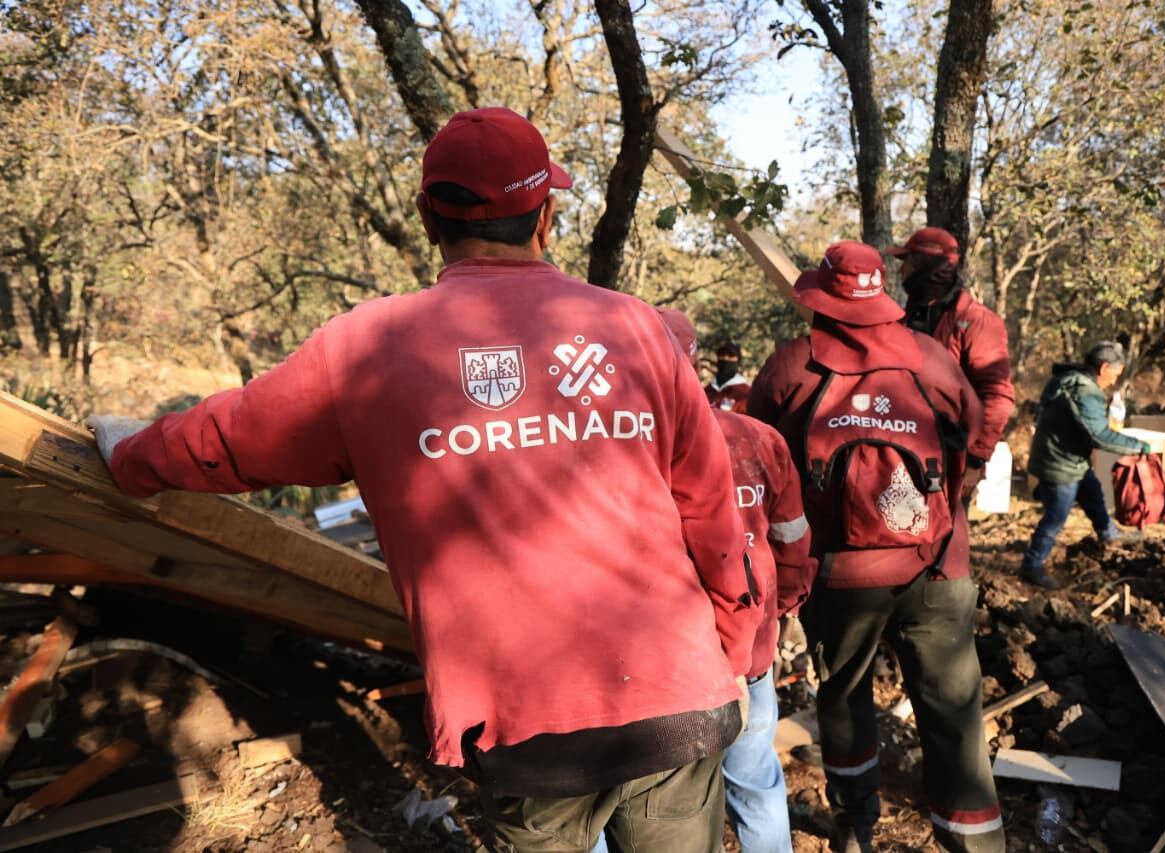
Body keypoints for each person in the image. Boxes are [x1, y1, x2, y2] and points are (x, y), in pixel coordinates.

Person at [86, 107, 761, 852]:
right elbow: (711, 509)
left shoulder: (366, 348)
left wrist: (131, 454)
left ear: (426, 217)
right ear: (546, 215)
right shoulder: (636, 329)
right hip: (677, 696)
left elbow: (229, 439)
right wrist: (731, 649)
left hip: (528, 730)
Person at [749, 241, 1004, 853]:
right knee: (954, 710)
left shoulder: (791, 366)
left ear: (822, 300)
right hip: (937, 565)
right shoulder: (932, 358)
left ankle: (855, 826)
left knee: (843, 696)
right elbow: (974, 439)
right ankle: (975, 843)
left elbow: (758, 462)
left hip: (838, 573)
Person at [658, 307, 817, 853]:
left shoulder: (629, 446)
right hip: (751, 645)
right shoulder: (758, 439)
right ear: (697, 362)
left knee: (669, 807)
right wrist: (784, 607)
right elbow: (792, 540)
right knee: (753, 777)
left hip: (669, 664)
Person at [885, 227, 1015, 499]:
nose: (902, 271)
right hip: (903, 452)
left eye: (907, 262)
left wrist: (975, 460)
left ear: (925, 267)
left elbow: (997, 396)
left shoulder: (977, 322)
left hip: (951, 460)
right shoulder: (905, 318)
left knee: (948, 526)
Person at [1021, 340, 1149, 589]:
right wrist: (1137, 446)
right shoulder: (1085, 392)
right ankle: (1032, 565)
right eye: (1115, 374)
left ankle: (1109, 535)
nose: (1114, 381)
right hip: (1060, 465)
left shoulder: (1068, 379)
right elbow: (1099, 435)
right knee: (1055, 517)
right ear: (1103, 368)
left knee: (1092, 493)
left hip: (1067, 458)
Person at [706, 341, 752, 413]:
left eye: (731, 355)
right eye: (722, 354)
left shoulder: (745, 393)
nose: (725, 358)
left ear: (738, 360)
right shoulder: (707, 390)